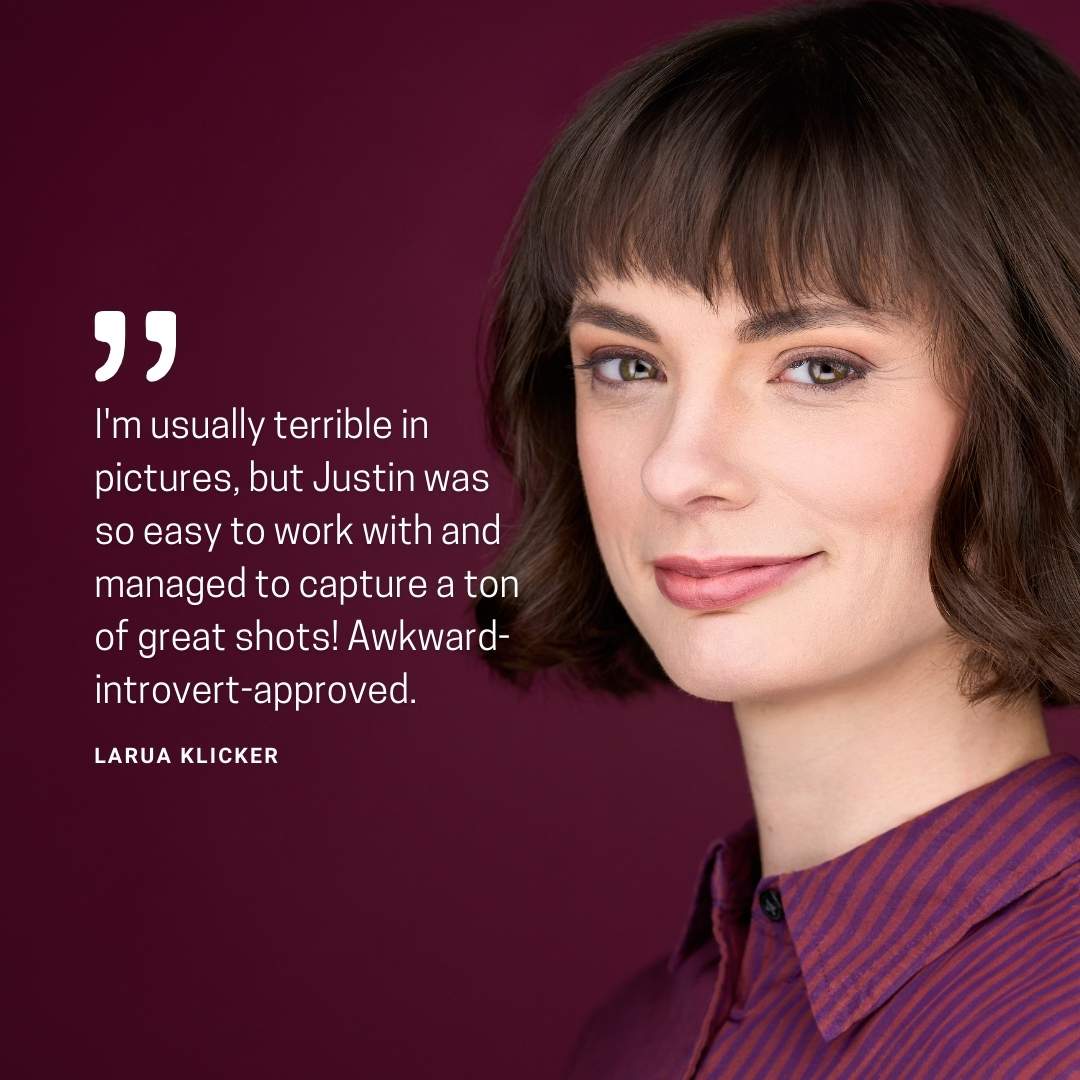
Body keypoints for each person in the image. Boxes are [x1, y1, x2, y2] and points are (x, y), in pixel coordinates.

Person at [472, 0, 1080, 1075]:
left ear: (1038, 408)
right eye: (628, 365)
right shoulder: (634, 1042)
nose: (677, 469)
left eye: (818, 367)